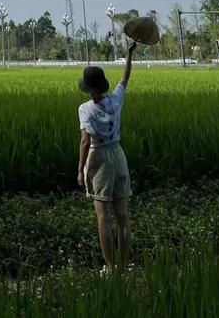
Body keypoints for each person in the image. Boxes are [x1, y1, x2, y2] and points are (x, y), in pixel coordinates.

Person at [76, 39, 138, 273]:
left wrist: (80, 169)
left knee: (103, 217)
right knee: (122, 214)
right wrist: (129, 54)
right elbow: (125, 77)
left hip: (99, 158)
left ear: (90, 88)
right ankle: (123, 266)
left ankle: (111, 268)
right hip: (118, 155)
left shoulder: (85, 109)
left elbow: (85, 141)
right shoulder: (115, 99)